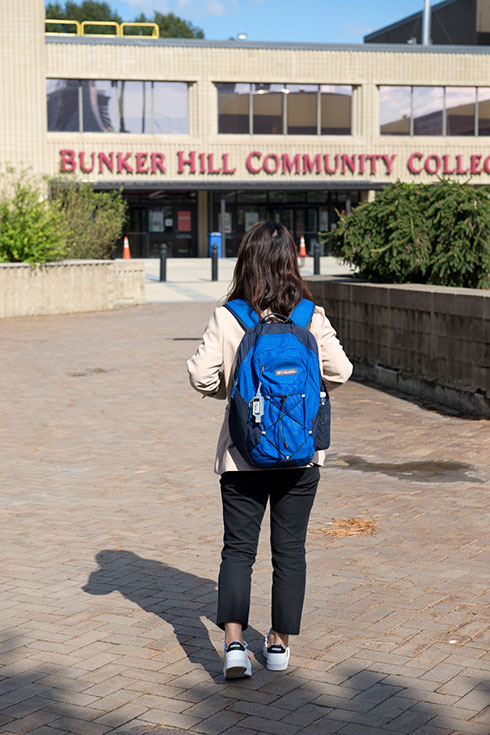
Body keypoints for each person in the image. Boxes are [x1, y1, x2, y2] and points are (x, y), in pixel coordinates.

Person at [187, 221, 352, 679]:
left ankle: (235, 646)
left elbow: (201, 375)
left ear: (247, 262)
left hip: (243, 455)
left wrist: (236, 393)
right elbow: (341, 370)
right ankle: (278, 646)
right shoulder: (309, 316)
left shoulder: (230, 316)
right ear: (291, 265)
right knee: (290, 550)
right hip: (301, 456)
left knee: (238, 550)